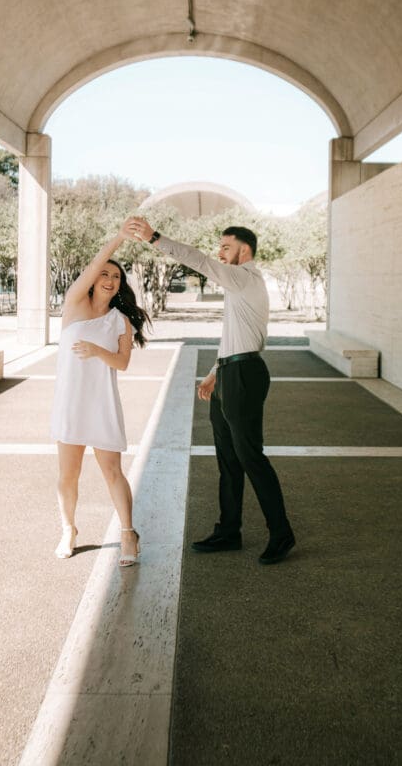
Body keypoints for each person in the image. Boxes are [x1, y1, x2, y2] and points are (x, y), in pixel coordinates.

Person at [124, 217, 295, 565]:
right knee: (229, 461)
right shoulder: (237, 286)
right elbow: (234, 335)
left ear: (243, 250)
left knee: (251, 458)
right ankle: (228, 531)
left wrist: (155, 238)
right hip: (231, 373)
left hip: (245, 374)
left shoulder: (245, 276)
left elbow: (199, 261)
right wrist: (214, 372)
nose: (219, 253)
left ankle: (282, 534)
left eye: (226, 247)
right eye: (219, 248)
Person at [50, 224, 150, 567]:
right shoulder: (74, 305)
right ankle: (68, 529)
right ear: (92, 280)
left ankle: (128, 533)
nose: (109, 279)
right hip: (70, 404)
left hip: (102, 404)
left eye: (117, 277)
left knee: (113, 472)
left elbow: (122, 363)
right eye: (104, 273)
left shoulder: (120, 322)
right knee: (67, 475)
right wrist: (120, 238)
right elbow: (96, 262)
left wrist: (96, 350)